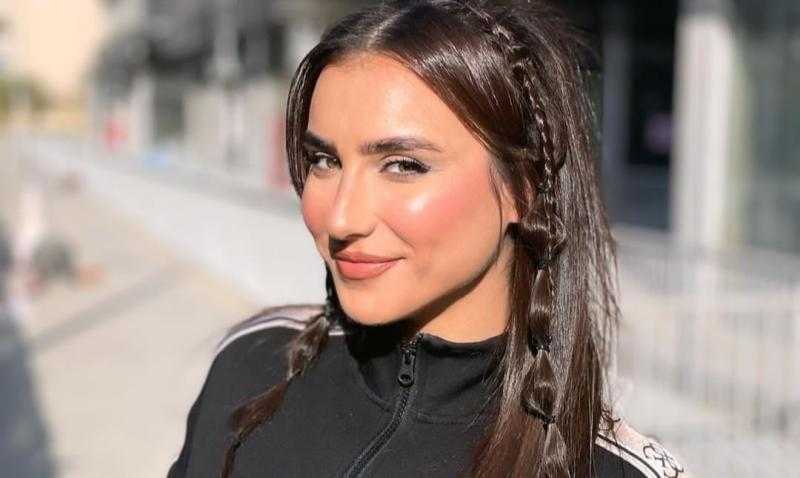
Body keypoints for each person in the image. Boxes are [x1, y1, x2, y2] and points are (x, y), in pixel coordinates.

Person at [168, 1, 690, 477]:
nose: (342, 219)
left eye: (403, 165)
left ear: (523, 188)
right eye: (324, 160)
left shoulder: (611, 469)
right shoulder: (250, 365)